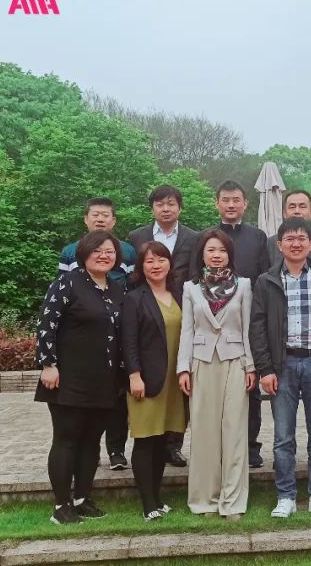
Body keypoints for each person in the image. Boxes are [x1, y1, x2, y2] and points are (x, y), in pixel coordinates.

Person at [251, 217, 311, 519]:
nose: (295, 243)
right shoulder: (266, 281)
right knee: (283, 437)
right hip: (282, 367)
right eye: (289, 239)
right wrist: (265, 369)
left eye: (301, 238)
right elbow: (257, 328)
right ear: (279, 245)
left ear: (310, 244)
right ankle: (285, 496)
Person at [35, 230, 125, 525]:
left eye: (109, 251)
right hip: (68, 378)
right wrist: (48, 364)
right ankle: (61, 506)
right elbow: (46, 323)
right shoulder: (67, 282)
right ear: (84, 253)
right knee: (67, 440)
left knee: (91, 441)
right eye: (97, 250)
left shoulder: (116, 289)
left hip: (104, 380)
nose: (103, 255)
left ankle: (82, 498)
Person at [177, 229, 255, 519]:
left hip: (235, 361)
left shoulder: (244, 285)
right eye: (211, 250)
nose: (216, 255)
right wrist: (183, 367)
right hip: (201, 361)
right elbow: (187, 330)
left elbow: (247, 328)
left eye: (222, 250)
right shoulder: (190, 288)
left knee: (234, 432)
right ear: (202, 254)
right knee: (204, 433)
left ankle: (232, 501)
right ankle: (204, 500)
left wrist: (250, 365)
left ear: (229, 254)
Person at [58, 198, 135, 471]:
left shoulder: (126, 251)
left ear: (114, 220)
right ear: (86, 219)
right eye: (95, 215)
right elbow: (58, 303)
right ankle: (82, 454)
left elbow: (133, 286)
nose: (100, 219)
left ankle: (116, 450)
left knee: (116, 397)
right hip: (83, 335)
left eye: (105, 215)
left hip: (117, 327)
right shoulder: (70, 252)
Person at [128, 184, 198, 468]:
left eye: (171, 203)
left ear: (179, 207)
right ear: (152, 208)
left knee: (178, 387)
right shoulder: (136, 236)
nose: (166, 208)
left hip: (179, 305)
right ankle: (147, 445)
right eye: (160, 204)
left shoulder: (193, 237)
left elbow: (195, 272)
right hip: (146, 308)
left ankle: (174, 446)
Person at [203, 180, 270, 469]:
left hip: (249, 322)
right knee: (215, 390)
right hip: (213, 322)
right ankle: (217, 445)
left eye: (236, 200)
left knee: (249, 385)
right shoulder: (207, 237)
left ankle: (251, 445)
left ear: (245, 204)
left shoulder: (258, 237)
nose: (231, 205)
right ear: (217, 203)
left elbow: (265, 277)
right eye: (226, 200)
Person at [122, 242, 187, 521]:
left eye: (161, 259)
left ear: (170, 263)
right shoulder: (134, 298)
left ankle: (158, 497)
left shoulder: (180, 294)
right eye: (149, 261)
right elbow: (128, 342)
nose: (156, 265)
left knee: (163, 440)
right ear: (141, 267)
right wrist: (134, 375)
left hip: (174, 380)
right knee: (145, 440)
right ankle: (148, 503)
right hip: (146, 381)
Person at [265, 189, 311, 278]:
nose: (297, 211)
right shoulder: (271, 242)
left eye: (302, 207)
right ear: (284, 213)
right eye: (292, 207)